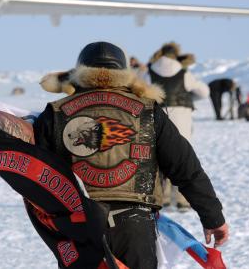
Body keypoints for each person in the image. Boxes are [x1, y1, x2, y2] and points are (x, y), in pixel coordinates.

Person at [34, 41, 228, 269]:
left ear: (80, 71)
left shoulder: (55, 113)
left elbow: (37, 174)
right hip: (135, 227)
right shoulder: (148, 111)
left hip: (80, 226)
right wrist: (213, 217)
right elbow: (185, 167)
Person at [146, 42, 210, 210]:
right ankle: (182, 199)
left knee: (158, 157)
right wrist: (188, 100)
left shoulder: (150, 71)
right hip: (182, 118)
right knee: (182, 157)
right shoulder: (183, 72)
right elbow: (204, 92)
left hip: (157, 116)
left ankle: (163, 197)